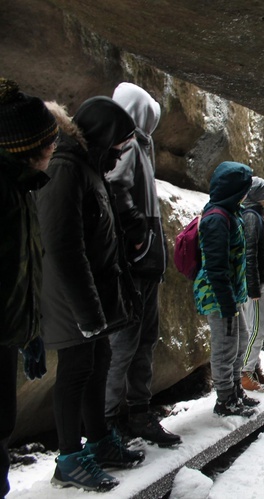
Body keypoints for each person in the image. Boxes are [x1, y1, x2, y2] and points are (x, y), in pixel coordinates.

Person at [37, 97, 145, 492]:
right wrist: (86, 311)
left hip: (92, 292)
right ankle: (68, 458)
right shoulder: (66, 170)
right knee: (75, 371)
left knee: (98, 361)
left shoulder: (89, 167)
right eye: (120, 144)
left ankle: (98, 442)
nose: (120, 153)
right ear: (103, 137)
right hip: (70, 297)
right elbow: (63, 246)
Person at [103, 82, 180, 447]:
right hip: (135, 265)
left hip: (145, 264)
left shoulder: (139, 145)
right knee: (126, 343)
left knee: (143, 341)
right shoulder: (128, 145)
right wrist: (137, 234)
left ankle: (137, 411)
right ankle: (109, 421)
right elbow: (116, 186)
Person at [0, 78, 58, 499]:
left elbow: (23, 270)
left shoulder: (22, 189)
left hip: (8, 334)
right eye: (50, 143)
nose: (55, 149)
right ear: (28, 148)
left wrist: (30, 330)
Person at [193, 161, 257, 418]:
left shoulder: (232, 211)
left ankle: (235, 391)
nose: (246, 194)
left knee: (239, 343)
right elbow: (215, 267)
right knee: (225, 347)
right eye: (244, 189)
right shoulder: (217, 219)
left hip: (232, 294)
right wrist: (227, 301)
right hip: (219, 296)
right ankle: (225, 399)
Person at [238, 178, 264, 392]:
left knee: (259, 327)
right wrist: (253, 285)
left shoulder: (255, 215)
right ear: (262, 197)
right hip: (255, 285)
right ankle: (243, 372)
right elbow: (250, 253)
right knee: (257, 329)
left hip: (262, 282)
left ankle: (255, 370)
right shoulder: (251, 217)